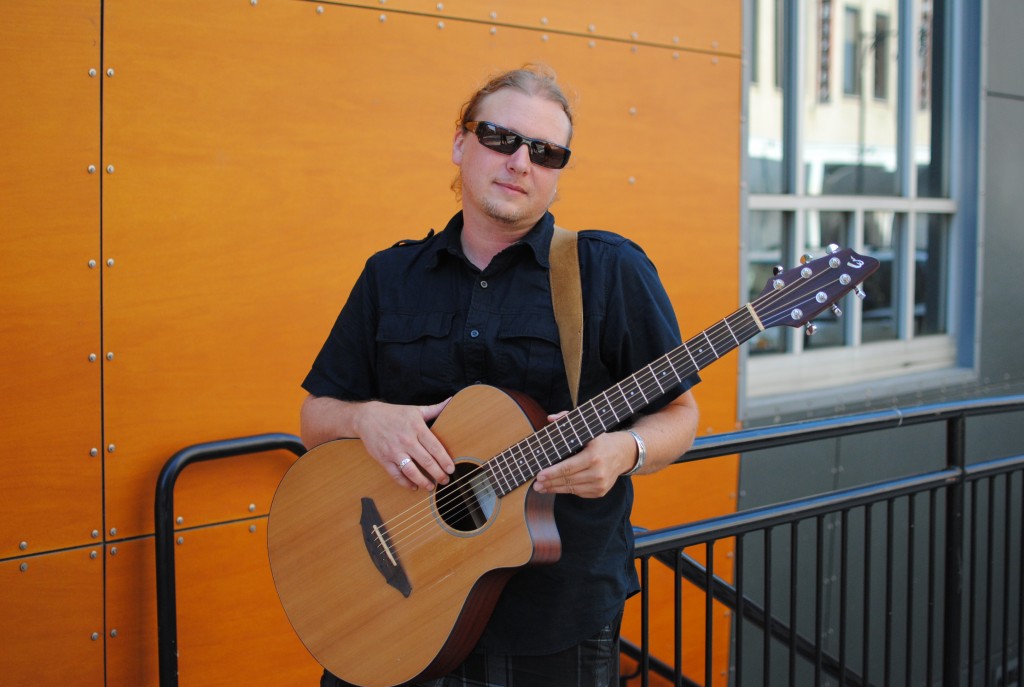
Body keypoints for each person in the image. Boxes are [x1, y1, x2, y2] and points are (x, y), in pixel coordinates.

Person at [301, 64, 700, 687]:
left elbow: (681, 413)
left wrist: (626, 449)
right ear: (461, 143)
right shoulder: (390, 275)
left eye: (546, 152)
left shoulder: (607, 271)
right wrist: (365, 419)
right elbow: (315, 417)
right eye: (500, 138)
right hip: (392, 606)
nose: (520, 162)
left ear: (559, 174)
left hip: (552, 623)